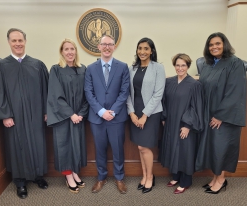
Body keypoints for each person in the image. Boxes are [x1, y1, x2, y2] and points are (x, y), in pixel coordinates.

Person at [0, 28, 49, 199]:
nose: (17, 44)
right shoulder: (0, 66)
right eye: (14, 41)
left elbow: (46, 90)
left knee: (37, 144)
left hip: (36, 114)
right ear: (9, 42)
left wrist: (46, 111)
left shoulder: (37, 65)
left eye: (20, 40)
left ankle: (38, 176)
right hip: (14, 116)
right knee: (17, 146)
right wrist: (5, 114)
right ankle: (20, 182)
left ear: (25, 41)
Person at [195, 32, 247, 194]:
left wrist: (220, 115)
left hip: (225, 116)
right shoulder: (208, 64)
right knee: (214, 147)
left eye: (217, 43)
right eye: (211, 45)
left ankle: (221, 179)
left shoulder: (235, 63)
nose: (214, 47)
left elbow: (235, 92)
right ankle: (215, 178)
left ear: (224, 44)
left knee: (222, 146)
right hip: (209, 113)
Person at [84, 34, 130, 194]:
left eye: (110, 44)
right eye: (104, 44)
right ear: (99, 47)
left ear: (114, 47)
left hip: (117, 118)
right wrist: (102, 112)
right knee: (100, 149)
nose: (107, 47)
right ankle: (101, 177)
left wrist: (113, 111)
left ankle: (119, 178)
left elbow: (124, 92)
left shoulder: (123, 67)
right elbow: (88, 92)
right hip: (97, 118)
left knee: (118, 149)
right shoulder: (90, 68)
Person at [47, 39, 89, 194]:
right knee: (64, 146)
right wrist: (71, 114)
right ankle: (68, 176)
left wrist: (81, 114)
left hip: (79, 116)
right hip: (63, 116)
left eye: (72, 49)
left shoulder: (82, 69)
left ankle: (75, 171)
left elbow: (87, 94)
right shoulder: (56, 70)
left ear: (76, 51)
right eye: (66, 49)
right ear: (62, 52)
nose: (70, 52)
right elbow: (55, 95)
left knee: (76, 145)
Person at [160, 53, 203, 194]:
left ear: (188, 66)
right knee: (173, 149)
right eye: (177, 65)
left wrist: (188, 125)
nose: (180, 68)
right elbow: (164, 101)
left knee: (185, 151)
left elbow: (196, 106)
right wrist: (164, 118)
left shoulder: (194, 84)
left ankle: (185, 181)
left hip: (184, 124)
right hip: (171, 123)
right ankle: (176, 176)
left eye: (183, 65)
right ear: (174, 66)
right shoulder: (169, 82)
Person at [127, 37, 165, 194]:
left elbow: (158, 94)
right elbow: (127, 93)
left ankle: (150, 177)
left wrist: (144, 115)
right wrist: (131, 112)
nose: (142, 51)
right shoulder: (132, 68)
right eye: (140, 48)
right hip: (134, 111)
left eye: (146, 49)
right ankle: (144, 176)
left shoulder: (158, 68)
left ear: (152, 51)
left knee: (144, 146)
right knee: (139, 146)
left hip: (151, 111)